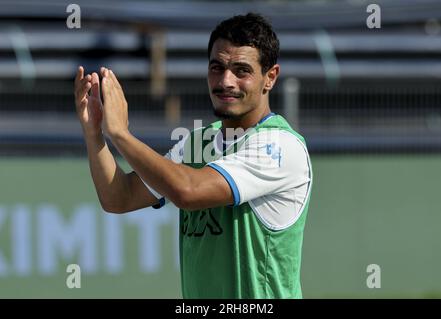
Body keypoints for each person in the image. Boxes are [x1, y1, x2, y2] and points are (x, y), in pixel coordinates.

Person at [74, 13, 312, 299]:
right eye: (217, 67)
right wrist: (95, 134)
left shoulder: (280, 146)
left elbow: (188, 191)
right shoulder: (199, 142)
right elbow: (119, 198)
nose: (226, 81)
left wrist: (121, 135)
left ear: (270, 77)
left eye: (241, 70)